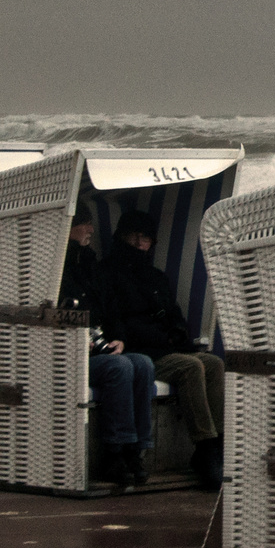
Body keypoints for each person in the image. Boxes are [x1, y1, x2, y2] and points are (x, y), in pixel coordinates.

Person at [99, 209, 224, 489]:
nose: (142, 243)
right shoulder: (108, 273)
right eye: (138, 237)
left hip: (166, 347)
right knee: (191, 367)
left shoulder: (156, 277)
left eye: (147, 239)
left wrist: (179, 331)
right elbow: (116, 321)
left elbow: (174, 313)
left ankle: (218, 443)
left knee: (214, 363)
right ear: (124, 236)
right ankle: (204, 446)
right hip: (142, 352)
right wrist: (161, 337)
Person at [61, 205, 154, 487]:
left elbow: (110, 310)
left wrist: (119, 337)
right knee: (119, 367)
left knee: (143, 363)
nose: (91, 229)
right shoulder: (57, 267)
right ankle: (115, 451)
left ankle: (136, 447)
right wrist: (80, 339)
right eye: (85, 223)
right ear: (70, 226)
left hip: (98, 344)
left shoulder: (89, 263)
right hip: (70, 351)